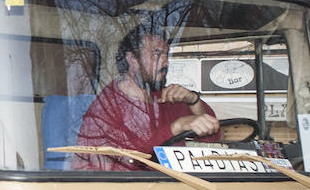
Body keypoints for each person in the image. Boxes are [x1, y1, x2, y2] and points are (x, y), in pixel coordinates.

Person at [71, 24, 217, 171]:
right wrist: (175, 128)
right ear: (132, 59)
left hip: (174, 189)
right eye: (156, 54)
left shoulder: (166, 98)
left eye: (167, 55)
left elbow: (213, 139)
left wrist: (193, 101)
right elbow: (125, 162)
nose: (165, 62)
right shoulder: (105, 109)